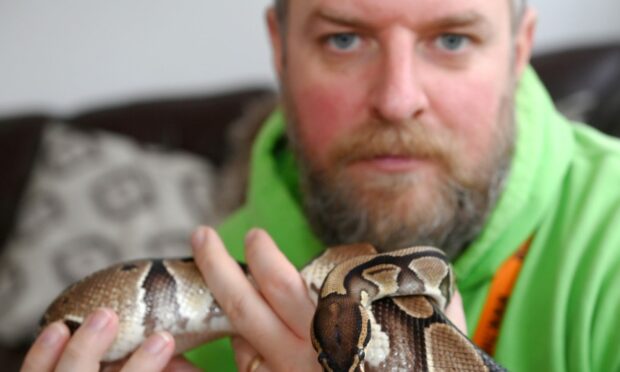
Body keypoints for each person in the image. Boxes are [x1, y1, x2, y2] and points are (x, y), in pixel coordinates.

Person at [21, 0, 620, 370]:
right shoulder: (228, 268)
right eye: (344, 38)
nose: (396, 99)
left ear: (519, 50)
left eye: (452, 39)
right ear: (280, 50)